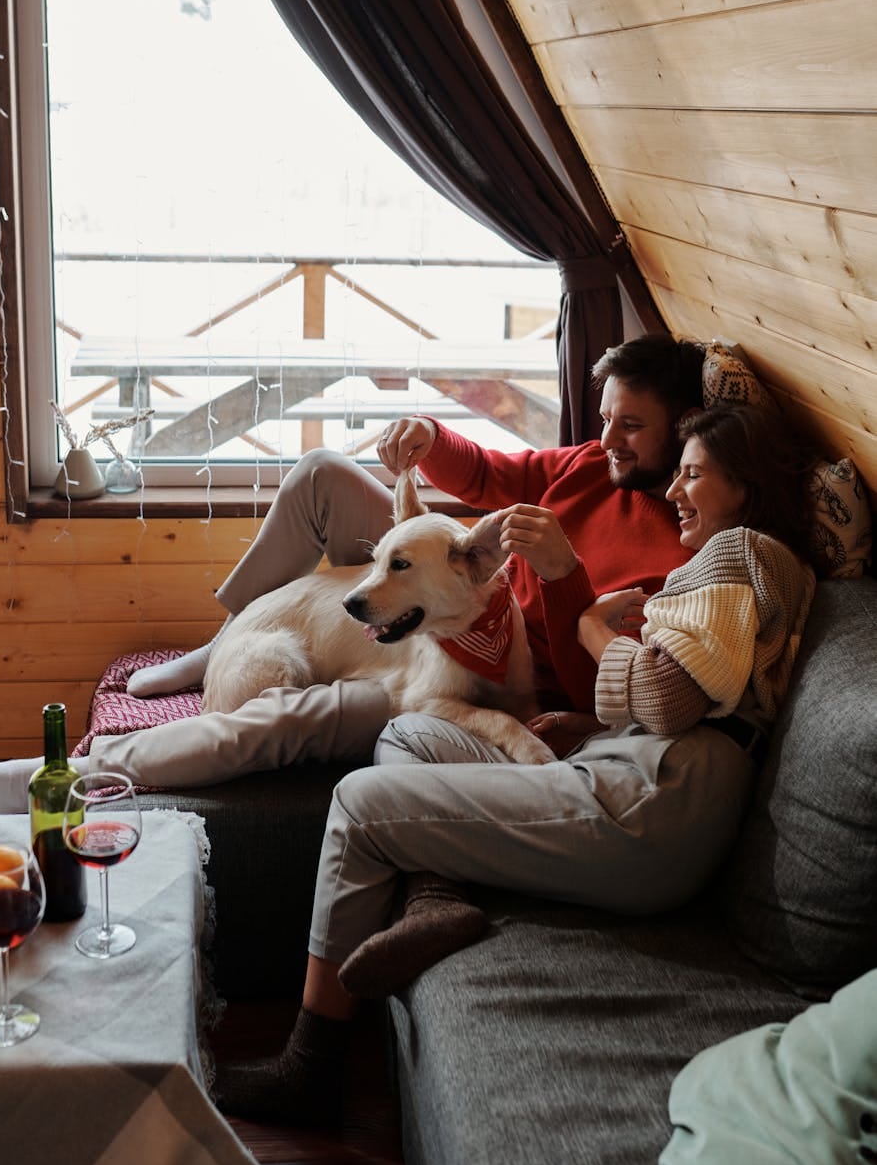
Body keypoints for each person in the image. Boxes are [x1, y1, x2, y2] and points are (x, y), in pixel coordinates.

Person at [213, 402, 817, 1127]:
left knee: (361, 801)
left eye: (692, 476)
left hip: (660, 799)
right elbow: (707, 686)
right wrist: (590, 723)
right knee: (411, 734)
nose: (672, 492)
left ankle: (308, 1068)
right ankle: (438, 899)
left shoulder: (738, 553)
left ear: (745, 485)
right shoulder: (727, 560)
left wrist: (593, 626)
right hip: (639, 762)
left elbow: (663, 694)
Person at [0, 332, 704, 808]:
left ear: (683, 432)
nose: (607, 438)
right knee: (320, 471)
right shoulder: (585, 466)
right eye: (603, 417)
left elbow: (595, 691)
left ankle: (59, 773)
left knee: (287, 718)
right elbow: (488, 470)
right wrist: (426, 437)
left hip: (488, 651)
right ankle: (221, 643)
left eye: (630, 425)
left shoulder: (683, 556)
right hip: (452, 600)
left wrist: (561, 574)